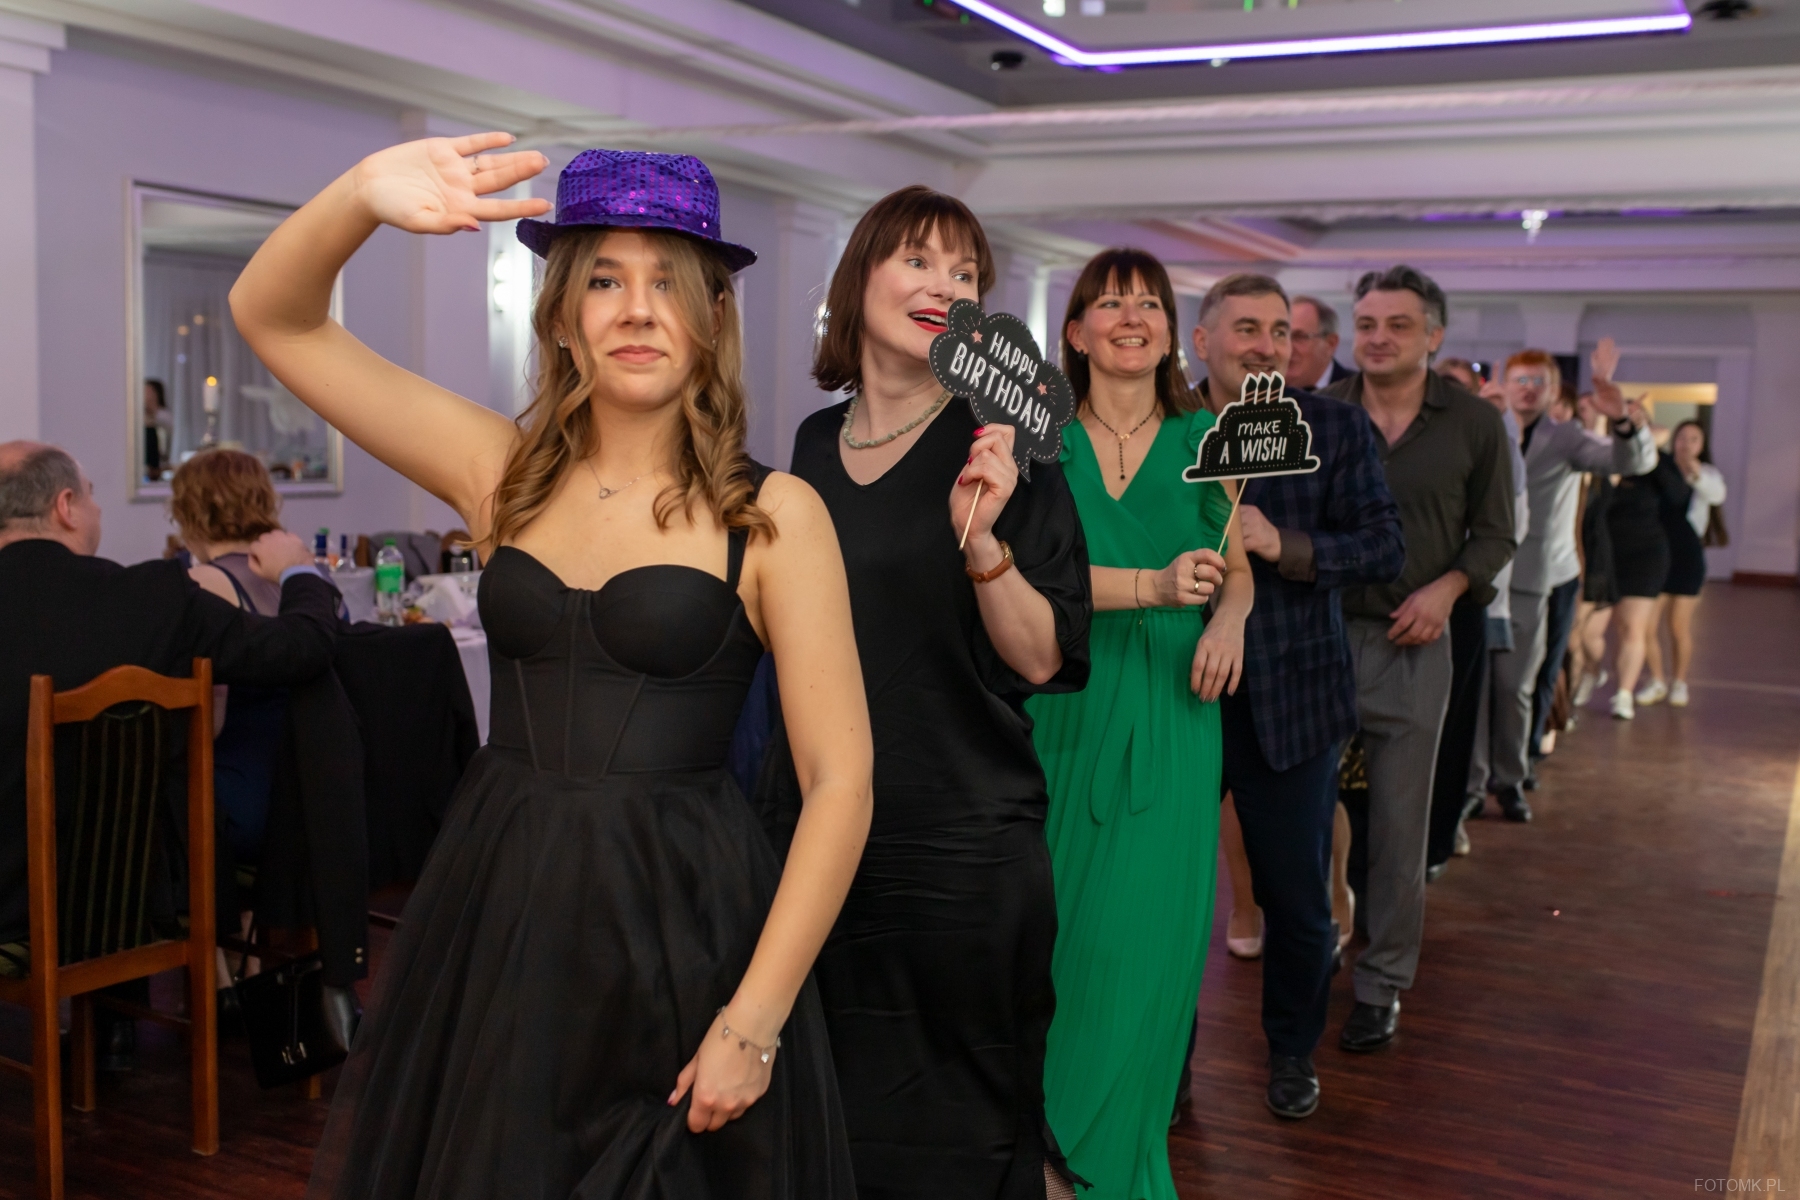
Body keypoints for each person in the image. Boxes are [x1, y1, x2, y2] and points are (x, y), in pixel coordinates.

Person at [232, 137, 872, 1198]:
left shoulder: (773, 515)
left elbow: (841, 784)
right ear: (564, 317)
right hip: (506, 907)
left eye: (670, 283)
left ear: (714, 317)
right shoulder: (501, 473)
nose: (638, 310)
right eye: (605, 281)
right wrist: (359, 196)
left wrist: (754, 1023)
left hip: (685, 924)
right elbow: (276, 319)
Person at [786, 184, 1091, 1198]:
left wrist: (985, 542)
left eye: (965, 273)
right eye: (918, 259)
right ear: (860, 276)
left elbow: (1042, 657)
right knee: (842, 1112)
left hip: (964, 837)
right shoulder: (809, 449)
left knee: (976, 1123)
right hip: (829, 833)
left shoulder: (1005, 444)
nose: (944, 286)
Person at [1021, 249, 1249, 1192]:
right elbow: (1023, 579)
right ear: (1075, 333)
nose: (1131, 316)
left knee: (1147, 950)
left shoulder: (1208, 437)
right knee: (1064, 943)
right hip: (1064, 710)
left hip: (1172, 711)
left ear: (1169, 333)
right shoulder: (1036, 440)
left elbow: (1235, 569)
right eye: (1109, 302)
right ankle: (1046, 1162)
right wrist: (1151, 585)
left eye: (1149, 303)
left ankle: (1115, 1164)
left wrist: (1229, 622)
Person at [0, 440, 339, 1067]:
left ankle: (106, 1039)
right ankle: (115, 1031)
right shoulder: (150, 599)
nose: (98, 508)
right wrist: (300, 574)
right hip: (128, 902)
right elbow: (301, 650)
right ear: (65, 507)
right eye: (93, 495)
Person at [1189, 274, 1403, 1118]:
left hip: (1295, 702)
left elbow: (1385, 547)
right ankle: (1164, 1067)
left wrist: (1287, 544)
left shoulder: (1335, 428)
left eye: (1281, 331)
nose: (1268, 346)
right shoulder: (1165, 428)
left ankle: (1291, 1053)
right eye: (1247, 328)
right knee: (1168, 899)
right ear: (1202, 340)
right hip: (1176, 695)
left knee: (1298, 902)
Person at [1322, 265, 1515, 1051]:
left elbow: (1496, 533)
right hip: (1320, 640)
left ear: (1433, 336)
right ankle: (1313, 953)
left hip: (1415, 644)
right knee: (1307, 820)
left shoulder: (1473, 422)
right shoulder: (1320, 413)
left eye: (1398, 325)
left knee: (1400, 827)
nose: (1379, 338)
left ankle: (1382, 983)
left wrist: (1450, 588)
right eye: (1367, 323)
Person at [1488, 345, 1651, 812]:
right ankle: (1473, 784)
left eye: (1538, 382)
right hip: (1481, 574)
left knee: (1518, 685)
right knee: (1477, 690)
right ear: (1505, 384)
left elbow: (1629, 463)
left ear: (1552, 390)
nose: (1528, 390)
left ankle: (1512, 775)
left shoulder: (1565, 437)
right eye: (1520, 380)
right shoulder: (1484, 427)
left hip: (1535, 576)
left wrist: (1622, 421)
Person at [170, 449, 292, 865]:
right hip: (312, 792)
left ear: (188, 511)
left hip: (242, 795)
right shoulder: (305, 576)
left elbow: (208, 725)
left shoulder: (200, 585)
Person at [1639, 419, 1726, 709]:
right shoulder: (1660, 467)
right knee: (1646, 626)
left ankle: (1679, 682)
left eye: (1693, 439)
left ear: (1702, 445)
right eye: (1682, 438)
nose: (1686, 444)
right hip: (1657, 554)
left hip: (1687, 556)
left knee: (1678, 626)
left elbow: (1717, 494)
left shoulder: (1707, 474)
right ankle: (1657, 679)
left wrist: (1695, 473)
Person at [1288, 295, 1352, 390]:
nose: (1287, 348)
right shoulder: (1268, 390)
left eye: (1299, 337)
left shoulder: (1359, 391)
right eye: (1281, 335)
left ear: (1330, 344)